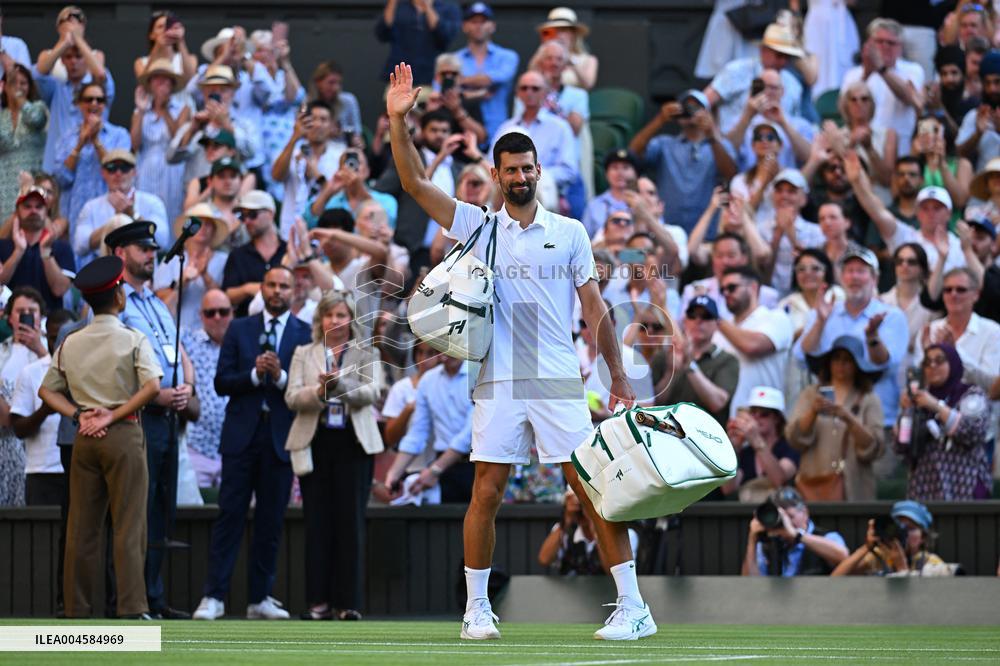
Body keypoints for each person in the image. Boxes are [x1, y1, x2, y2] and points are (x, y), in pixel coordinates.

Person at [387, 62, 651, 640]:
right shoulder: (477, 226)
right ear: (495, 174)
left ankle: (633, 606)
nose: (522, 176)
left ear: (538, 172)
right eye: (512, 170)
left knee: (591, 488)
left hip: (557, 375)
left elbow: (595, 311)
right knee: (487, 490)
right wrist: (396, 121)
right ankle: (476, 610)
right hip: (499, 378)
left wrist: (620, 378)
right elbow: (412, 184)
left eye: (530, 168)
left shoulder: (573, 231)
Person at [38, 255, 162, 618]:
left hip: (85, 437)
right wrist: (114, 413)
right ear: (119, 295)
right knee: (128, 524)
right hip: (123, 434)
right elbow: (153, 386)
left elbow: (47, 391)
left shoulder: (71, 341)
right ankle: (131, 607)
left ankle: (76, 608)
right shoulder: (132, 337)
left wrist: (79, 414)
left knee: (81, 528)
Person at [192, 266, 311, 620]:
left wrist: (280, 377)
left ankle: (260, 597)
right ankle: (213, 597)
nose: (277, 291)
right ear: (262, 288)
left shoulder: (305, 334)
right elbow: (221, 382)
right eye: (272, 284)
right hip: (241, 436)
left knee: (271, 521)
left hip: (279, 437)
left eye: (284, 286)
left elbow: (304, 388)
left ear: (294, 291)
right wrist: (254, 374)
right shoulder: (240, 328)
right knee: (230, 515)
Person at [106, 220, 192, 620]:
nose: (152, 254)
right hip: (138, 416)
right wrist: (156, 393)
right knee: (134, 510)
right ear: (120, 254)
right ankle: (128, 599)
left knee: (160, 508)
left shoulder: (156, 302)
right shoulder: (114, 302)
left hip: (169, 416)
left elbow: (178, 348)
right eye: (143, 249)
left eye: (153, 248)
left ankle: (152, 597)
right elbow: (116, 365)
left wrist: (187, 385)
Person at [285, 289, 384, 621]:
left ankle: (347, 603)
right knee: (317, 525)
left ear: (351, 319)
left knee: (350, 524)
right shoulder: (304, 351)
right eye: (329, 315)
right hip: (316, 441)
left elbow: (373, 392)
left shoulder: (366, 352)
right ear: (320, 318)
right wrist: (319, 391)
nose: (335, 320)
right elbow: (291, 397)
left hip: (354, 445)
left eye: (341, 315)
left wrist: (340, 386)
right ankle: (317, 603)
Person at [795, 246, 909, 436]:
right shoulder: (824, 312)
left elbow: (885, 364)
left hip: (874, 420)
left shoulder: (891, 316)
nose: (854, 277)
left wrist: (872, 337)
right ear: (841, 278)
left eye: (861, 271)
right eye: (849, 271)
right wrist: (820, 322)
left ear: (875, 279)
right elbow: (801, 357)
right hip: (828, 422)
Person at [787, 335, 885, 501]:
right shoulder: (810, 395)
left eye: (847, 360)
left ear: (857, 365)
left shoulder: (868, 399)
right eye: (836, 359)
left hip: (856, 488)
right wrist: (813, 412)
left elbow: (875, 446)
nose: (841, 365)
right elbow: (794, 438)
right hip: (814, 484)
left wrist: (848, 418)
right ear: (829, 363)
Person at [628, 89, 737, 233]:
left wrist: (711, 135)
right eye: (685, 107)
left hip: (706, 232)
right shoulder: (665, 144)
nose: (690, 111)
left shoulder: (721, 145)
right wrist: (660, 119)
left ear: (707, 112)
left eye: (696, 107)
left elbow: (731, 174)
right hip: (668, 230)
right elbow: (633, 152)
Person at [897, 343, 993, 502]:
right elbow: (901, 445)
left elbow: (972, 432)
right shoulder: (918, 399)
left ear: (953, 363)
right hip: (924, 489)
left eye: (939, 360)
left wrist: (936, 406)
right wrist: (906, 412)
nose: (932, 365)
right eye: (927, 362)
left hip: (965, 489)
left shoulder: (971, 394)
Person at [846, 152, 967, 274]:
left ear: (949, 214)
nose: (931, 213)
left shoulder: (961, 246)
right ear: (918, 213)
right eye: (925, 208)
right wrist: (857, 182)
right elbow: (877, 212)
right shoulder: (906, 237)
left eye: (937, 208)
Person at [383, 354, 474, 503]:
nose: (448, 352)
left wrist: (434, 470)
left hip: (480, 465)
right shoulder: (429, 380)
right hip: (444, 465)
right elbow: (417, 433)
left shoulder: (481, 374)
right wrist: (393, 473)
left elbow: (470, 434)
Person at [35, 6, 114, 175]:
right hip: (59, 168)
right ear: (62, 61)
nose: (74, 62)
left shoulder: (97, 90)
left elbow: (100, 74)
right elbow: (39, 73)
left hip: (92, 168)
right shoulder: (56, 88)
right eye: (68, 57)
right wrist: (65, 41)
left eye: (79, 57)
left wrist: (78, 39)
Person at [10, 308, 75, 505]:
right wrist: (45, 410)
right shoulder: (31, 373)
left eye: (67, 338)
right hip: (42, 472)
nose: (58, 345)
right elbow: (18, 429)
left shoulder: (90, 372)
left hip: (80, 469)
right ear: (46, 337)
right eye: (54, 338)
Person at [491, 71, 578, 215]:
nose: (529, 92)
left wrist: (533, 175)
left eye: (535, 88)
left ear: (546, 93)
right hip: (506, 193)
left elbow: (569, 170)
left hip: (547, 194)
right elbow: (491, 162)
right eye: (524, 88)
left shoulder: (560, 127)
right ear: (517, 93)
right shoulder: (506, 127)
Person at [715, 266, 794, 416]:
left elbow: (753, 346)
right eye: (722, 289)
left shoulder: (776, 317)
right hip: (725, 419)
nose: (726, 293)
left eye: (732, 287)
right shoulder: (721, 330)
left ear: (753, 287)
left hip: (764, 418)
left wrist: (716, 320)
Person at [840, 18, 924, 158]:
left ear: (900, 47)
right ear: (869, 44)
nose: (885, 46)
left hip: (900, 150)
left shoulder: (913, 70)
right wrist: (866, 74)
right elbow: (844, 108)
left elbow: (910, 99)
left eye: (891, 43)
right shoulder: (853, 74)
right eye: (879, 41)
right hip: (861, 148)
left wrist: (881, 69)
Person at [704, 21, 806, 134]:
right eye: (779, 55)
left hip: (775, 147)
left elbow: (796, 124)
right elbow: (704, 101)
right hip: (731, 146)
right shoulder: (737, 70)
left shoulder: (793, 84)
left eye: (788, 57)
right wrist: (714, 137)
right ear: (763, 50)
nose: (783, 61)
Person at [53, 81, 131, 229]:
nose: (94, 103)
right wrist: (80, 143)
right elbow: (61, 179)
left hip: (108, 213)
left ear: (105, 105)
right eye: (89, 99)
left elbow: (117, 170)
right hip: (73, 214)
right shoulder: (66, 138)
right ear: (79, 104)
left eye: (99, 100)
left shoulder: (119, 135)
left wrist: (96, 141)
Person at [72, 149, 169, 267]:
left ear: (134, 171)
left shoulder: (153, 202)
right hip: (105, 270)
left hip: (142, 273)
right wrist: (114, 223)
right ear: (103, 173)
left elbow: (163, 241)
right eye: (112, 168)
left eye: (125, 167)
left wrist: (133, 215)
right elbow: (80, 246)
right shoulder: (91, 206)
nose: (118, 173)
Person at [651, 295, 738, 425]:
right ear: (685, 321)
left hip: (705, 438)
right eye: (692, 315)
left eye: (706, 316)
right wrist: (671, 372)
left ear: (716, 324)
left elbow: (717, 403)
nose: (698, 321)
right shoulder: (663, 356)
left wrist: (689, 365)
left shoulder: (727, 360)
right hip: (665, 434)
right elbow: (651, 405)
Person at [0, 287, 48, 507]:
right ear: (10, 317)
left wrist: (40, 349)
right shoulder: (1, 353)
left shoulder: (53, 349)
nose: (26, 315)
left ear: (41, 315)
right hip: (6, 444)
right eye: (20, 311)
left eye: (32, 310)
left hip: (43, 446)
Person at [916, 267, 1000, 393]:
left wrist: (954, 353)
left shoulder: (993, 332)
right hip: (934, 407)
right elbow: (919, 382)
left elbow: (991, 384)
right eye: (947, 290)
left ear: (976, 295)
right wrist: (927, 358)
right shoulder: (930, 330)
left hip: (977, 409)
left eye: (961, 289)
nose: (953, 294)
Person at [181, 290, 232, 490]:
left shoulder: (242, 344)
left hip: (234, 449)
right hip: (197, 446)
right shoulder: (189, 339)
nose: (217, 317)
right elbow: (163, 327)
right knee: (192, 512)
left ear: (232, 313)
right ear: (201, 315)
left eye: (223, 312)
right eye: (210, 313)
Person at [272, 100, 344, 238]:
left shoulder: (340, 154)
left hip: (327, 232)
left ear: (332, 126)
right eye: (312, 119)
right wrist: (294, 137)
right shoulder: (292, 151)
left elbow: (341, 195)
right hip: (290, 230)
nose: (317, 124)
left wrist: (317, 176)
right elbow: (276, 176)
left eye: (323, 120)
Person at [131, 58, 190, 223]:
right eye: (157, 78)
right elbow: (135, 144)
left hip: (173, 169)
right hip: (146, 168)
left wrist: (163, 109)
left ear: (172, 84)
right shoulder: (141, 110)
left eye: (166, 79)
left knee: (172, 211)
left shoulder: (183, 108)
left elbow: (178, 139)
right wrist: (142, 111)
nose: (161, 83)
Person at [741, 486, 849, 576]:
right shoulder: (767, 545)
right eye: (782, 518)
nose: (785, 522)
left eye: (790, 516)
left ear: (805, 513)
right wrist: (752, 541)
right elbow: (749, 585)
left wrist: (797, 535)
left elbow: (844, 557)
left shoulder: (827, 538)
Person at [153, 204, 230, 328]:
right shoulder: (173, 259)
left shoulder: (224, 260)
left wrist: (205, 275)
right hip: (177, 330)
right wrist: (184, 281)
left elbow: (227, 300)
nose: (203, 228)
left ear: (214, 230)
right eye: (199, 224)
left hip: (212, 333)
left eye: (208, 224)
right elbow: (160, 298)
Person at [0, 186, 74, 312]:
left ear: (46, 212)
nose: (33, 211)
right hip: (9, 320)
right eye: (27, 206)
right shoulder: (2, 246)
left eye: (39, 207)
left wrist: (46, 253)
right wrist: (18, 252)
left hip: (50, 323)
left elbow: (59, 289)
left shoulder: (62, 247)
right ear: (17, 212)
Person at [721, 387, 800, 503]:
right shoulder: (747, 452)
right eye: (753, 412)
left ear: (777, 418)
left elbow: (779, 480)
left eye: (764, 414)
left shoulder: (789, 447)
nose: (756, 418)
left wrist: (755, 439)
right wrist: (733, 448)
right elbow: (728, 489)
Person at [832, 500, 951, 576]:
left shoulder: (930, 562)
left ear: (923, 537)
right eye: (898, 528)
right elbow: (835, 579)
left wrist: (901, 567)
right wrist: (867, 547)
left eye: (910, 529)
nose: (903, 533)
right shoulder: (878, 557)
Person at [453, 2, 519, 139]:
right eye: (473, 21)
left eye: (483, 21)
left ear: (492, 26)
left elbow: (497, 77)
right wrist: (480, 92)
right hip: (461, 130)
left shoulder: (508, 56)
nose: (479, 25)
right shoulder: (453, 59)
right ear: (464, 26)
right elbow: (444, 91)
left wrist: (461, 82)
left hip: (498, 129)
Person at [538, 488, 639, 575]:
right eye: (582, 505)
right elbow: (544, 560)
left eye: (588, 505)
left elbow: (611, 571)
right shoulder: (564, 530)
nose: (583, 511)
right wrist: (567, 521)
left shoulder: (624, 534)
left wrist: (596, 524)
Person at [758, 169, 824, 295]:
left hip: (804, 297)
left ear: (804, 199)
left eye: (791, 191)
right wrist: (778, 232)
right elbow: (761, 272)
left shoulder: (817, 232)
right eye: (779, 190)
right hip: (769, 297)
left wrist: (791, 233)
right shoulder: (760, 229)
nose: (784, 196)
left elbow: (815, 269)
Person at [222, 190, 287, 317]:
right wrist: (247, 289)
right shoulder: (238, 255)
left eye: (252, 215)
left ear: (270, 214)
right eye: (242, 217)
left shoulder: (289, 251)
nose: (247, 221)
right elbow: (226, 295)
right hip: (247, 325)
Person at [376, 0, 462, 85]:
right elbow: (382, 34)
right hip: (399, 79)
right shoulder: (399, 6)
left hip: (431, 79)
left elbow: (445, 36)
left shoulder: (448, 8)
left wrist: (427, 7)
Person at [0, 62, 47, 214]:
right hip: (4, 187)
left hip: (31, 184)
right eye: (13, 82)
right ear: (4, 86)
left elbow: (35, 118)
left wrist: (18, 97)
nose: (18, 87)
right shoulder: (2, 116)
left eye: (23, 83)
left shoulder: (38, 107)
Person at [957, 49, 1000, 172]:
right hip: (985, 187)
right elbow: (961, 153)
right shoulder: (975, 116)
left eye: (997, 82)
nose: (992, 89)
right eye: (987, 83)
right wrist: (978, 134)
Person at [534, 7, 598, 90]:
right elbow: (532, 75)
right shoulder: (544, 57)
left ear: (573, 34)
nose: (559, 34)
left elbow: (588, 84)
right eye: (554, 30)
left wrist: (571, 60)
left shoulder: (589, 59)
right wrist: (545, 48)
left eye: (563, 30)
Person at [581, 149, 638, 240]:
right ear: (606, 174)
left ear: (635, 173)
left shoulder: (643, 203)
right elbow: (584, 240)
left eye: (626, 167)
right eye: (614, 167)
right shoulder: (594, 205)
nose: (620, 173)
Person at [133, 11, 197, 88]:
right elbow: (145, 84)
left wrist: (180, 41)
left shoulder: (190, 58)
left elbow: (190, 79)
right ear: (151, 35)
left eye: (168, 26)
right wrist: (158, 45)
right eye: (160, 27)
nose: (165, 30)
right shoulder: (141, 62)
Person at [307, 60, 362, 137]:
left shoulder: (349, 101)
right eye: (331, 82)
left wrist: (356, 140)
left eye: (339, 83)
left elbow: (357, 132)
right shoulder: (307, 103)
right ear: (318, 82)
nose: (336, 88)